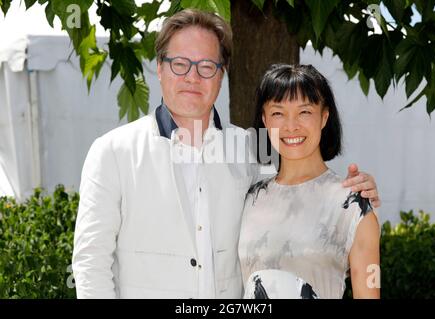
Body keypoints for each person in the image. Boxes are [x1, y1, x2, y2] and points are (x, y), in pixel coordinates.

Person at [72, 9, 380, 299]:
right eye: (180, 64)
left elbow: (301, 192)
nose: (192, 77)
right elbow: (91, 264)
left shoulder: (252, 148)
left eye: (206, 66)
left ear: (223, 73)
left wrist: (358, 194)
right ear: (160, 67)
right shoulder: (113, 152)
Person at [239, 64, 380, 299]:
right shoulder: (249, 198)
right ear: (264, 120)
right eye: (277, 113)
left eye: (304, 112)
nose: (291, 125)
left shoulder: (353, 204)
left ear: (324, 117)